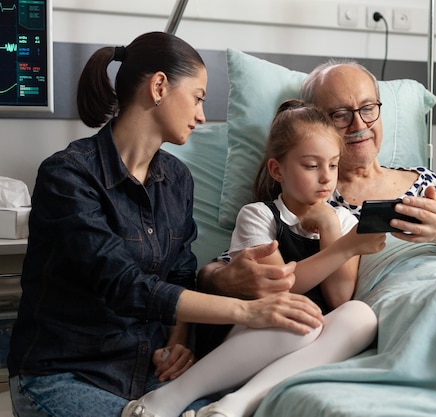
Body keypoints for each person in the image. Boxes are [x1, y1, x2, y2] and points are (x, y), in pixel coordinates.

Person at [7, 32, 324, 417]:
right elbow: (123, 284)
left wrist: (178, 342)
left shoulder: (176, 178)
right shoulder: (68, 176)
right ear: (159, 86)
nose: (202, 115)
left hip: (150, 374)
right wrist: (247, 312)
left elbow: (179, 271)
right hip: (65, 375)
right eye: (198, 97)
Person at [121, 99, 385, 417]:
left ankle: (237, 404)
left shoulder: (342, 222)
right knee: (296, 317)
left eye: (333, 164)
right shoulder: (259, 216)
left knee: (361, 317)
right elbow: (282, 288)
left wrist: (330, 226)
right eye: (312, 166)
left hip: (304, 342)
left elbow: (340, 297)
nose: (326, 177)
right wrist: (345, 248)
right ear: (278, 170)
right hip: (250, 335)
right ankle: (173, 396)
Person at [197, 59, 436, 303]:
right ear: (315, 122)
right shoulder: (309, 196)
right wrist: (216, 279)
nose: (359, 124)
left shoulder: (424, 180)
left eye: (368, 108)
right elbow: (227, 271)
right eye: (340, 114)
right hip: (407, 303)